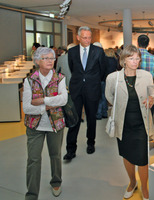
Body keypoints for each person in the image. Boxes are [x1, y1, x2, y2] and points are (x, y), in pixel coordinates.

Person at [105, 45, 154, 200]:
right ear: (123, 60)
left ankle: (144, 187)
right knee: (127, 155)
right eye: (131, 58)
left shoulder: (146, 75)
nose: (136, 61)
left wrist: (152, 98)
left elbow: (153, 92)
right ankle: (132, 182)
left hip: (141, 123)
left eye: (137, 58)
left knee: (142, 158)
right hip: (123, 124)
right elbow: (109, 97)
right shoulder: (113, 78)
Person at [23, 47, 68, 199]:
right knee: (33, 159)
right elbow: (27, 107)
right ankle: (31, 194)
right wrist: (49, 106)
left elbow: (63, 100)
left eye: (52, 58)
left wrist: (42, 101)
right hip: (34, 126)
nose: (50, 61)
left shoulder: (60, 78)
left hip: (55, 124)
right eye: (46, 58)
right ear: (37, 61)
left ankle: (56, 181)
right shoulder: (29, 80)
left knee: (55, 155)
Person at [63, 26, 106, 161]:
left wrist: (92, 81)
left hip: (92, 89)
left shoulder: (98, 51)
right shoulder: (72, 52)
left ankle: (90, 143)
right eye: (84, 38)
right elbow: (72, 68)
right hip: (76, 89)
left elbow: (103, 70)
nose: (87, 40)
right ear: (78, 38)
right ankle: (71, 149)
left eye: (89, 37)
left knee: (91, 118)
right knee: (73, 118)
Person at [137, 34, 154, 149]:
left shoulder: (133, 57)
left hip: (135, 88)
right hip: (149, 88)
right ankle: (149, 135)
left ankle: (138, 136)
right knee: (149, 112)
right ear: (148, 44)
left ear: (137, 43)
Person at [96, 48, 118, 119]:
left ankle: (99, 114)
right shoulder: (115, 60)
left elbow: (102, 70)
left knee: (101, 97)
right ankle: (105, 113)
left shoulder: (104, 60)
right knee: (107, 97)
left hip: (103, 79)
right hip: (112, 81)